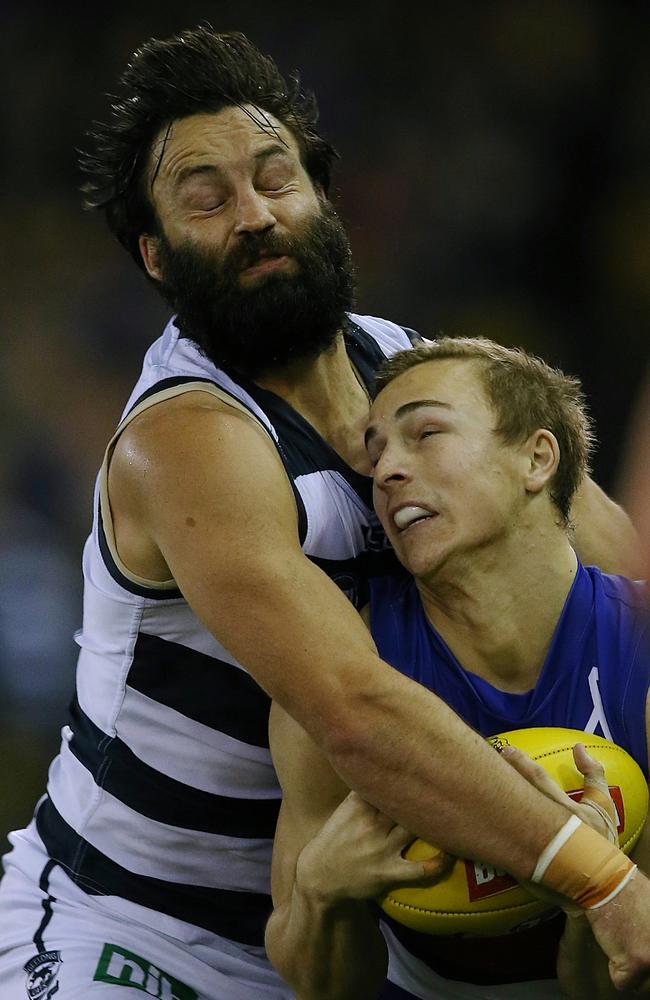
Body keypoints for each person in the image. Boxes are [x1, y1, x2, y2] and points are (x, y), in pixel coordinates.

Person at [0, 25, 647, 1000]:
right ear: (158, 257)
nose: (255, 213)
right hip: (136, 928)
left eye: (276, 177)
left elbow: (608, 570)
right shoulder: (186, 438)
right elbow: (351, 712)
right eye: (207, 200)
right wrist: (594, 872)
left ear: (321, 197)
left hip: (340, 934)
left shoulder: (411, 363)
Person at [265, 337, 650, 999]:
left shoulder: (637, 656)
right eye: (378, 451)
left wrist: (587, 892)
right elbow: (318, 988)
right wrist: (323, 892)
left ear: (536, 457)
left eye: (426, 433)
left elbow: (618, 978)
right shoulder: (346, 674)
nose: (386, 471)